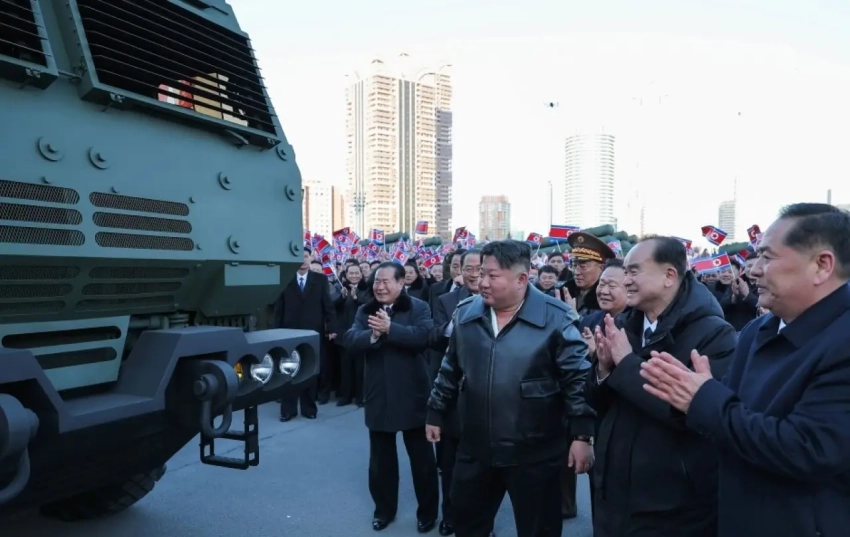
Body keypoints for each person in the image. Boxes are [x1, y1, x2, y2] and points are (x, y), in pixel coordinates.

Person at [639, 203, 850, 537]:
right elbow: (733, 413)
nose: (754, 271)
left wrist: (704, 399)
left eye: (767, 257)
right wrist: (693, 395)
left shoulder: (843, 341)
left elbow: (809, 448)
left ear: (822, 265)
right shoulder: (758, 330)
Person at [425, 240, 595, 537]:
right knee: (467, 524)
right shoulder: (466, 313)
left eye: (492, 275)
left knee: (538, 529)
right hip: (475, 448)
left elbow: (577, 380)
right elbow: (450, 368)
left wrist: (582, 435)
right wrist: (436, 411)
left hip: (535, 452)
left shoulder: (556, 316)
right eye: (481, 274)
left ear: (521, 278)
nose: (482, 282)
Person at [588, 235, 737, 537]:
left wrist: (626, 363)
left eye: (634, 271)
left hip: (673, 503)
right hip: (612, 492)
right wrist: (602, 370)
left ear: (669, 275)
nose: (625, 280)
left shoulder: (714, 335)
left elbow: (686, 412)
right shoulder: (623, 325)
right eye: (625, 271)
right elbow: (599, 405)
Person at [344, 262, 439, 534]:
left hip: (413, 393)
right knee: (381, 462)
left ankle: (427, 513)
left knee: (422, 461)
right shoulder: (365, 310)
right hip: (379, 393)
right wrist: (373, 335)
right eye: (377, 281)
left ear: (401, 283)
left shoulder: (418, 307)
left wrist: (390, 329)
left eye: (386, 281)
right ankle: (384, 510)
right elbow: (351, 339)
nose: (380, 286)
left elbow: (424, 337)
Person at [274, 248, 336, 421]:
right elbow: (279, 308)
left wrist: (332, 328)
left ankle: (309, 409)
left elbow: (328, 306)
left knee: (309, 371)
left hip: (312, 332)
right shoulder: (285, 278)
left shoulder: (320, 279)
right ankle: (288, 410)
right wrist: (276, 330)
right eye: (299, 257)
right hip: (289, 332)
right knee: (288, 370)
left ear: (311, 258)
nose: (303, 260)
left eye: (306, 256)